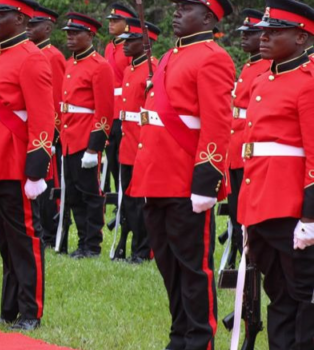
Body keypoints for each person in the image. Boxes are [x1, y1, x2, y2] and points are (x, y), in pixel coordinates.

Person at [128, 0, 235, 348]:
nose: (176, 13)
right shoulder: (171, 55)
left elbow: (218, 126)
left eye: (186, 7)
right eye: (177, 7)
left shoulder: (213, 57)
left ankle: (199, 339)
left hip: (186, 180)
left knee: (192, 269)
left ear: (208, 17)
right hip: (155, 176)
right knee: (169, 266)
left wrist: (206, 181)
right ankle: (180, 335)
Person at [0, 0, 54, 331]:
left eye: (0, 15)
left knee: (24, 241)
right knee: (5, 241)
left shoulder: (32, 58)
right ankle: (9, 310)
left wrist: (35, 170)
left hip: (14, 161)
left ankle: (30, 311)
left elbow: (42, 117)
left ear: (20, 19)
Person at [238, 0, 314, 348]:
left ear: (301, 38)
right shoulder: (263, 79)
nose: (263, 36)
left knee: (303, 294)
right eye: (263, 31)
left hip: (292, 208)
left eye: (274, 31)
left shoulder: (308, 83)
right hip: (261, 204)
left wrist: (310, 218)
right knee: (278, 292)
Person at [60, 12, 115, 259]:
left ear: (90, 35)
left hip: (85, 139)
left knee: (91, 194)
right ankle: (82, 241)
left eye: (75, 33)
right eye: (68, 33)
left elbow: (104, 111)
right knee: (73, 194)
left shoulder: (99, 66)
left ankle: (92, 245)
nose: (70, 37)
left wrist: (94, 147)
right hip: (69, 138)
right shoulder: (70, 63)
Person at [112, 17, 160, 264]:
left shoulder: (154, 68)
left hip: (142, 141)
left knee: (142, 201)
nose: (124, 45)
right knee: (129, 200)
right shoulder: (130, 69)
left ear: (145, 42)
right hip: (127, 140)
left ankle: (143, 249)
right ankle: (129, 246)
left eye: (130, 40)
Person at [225, 8, 269, 268]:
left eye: (249, 33)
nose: (243, 38)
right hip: (236, 144)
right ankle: (238, 256)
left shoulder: (266, 66)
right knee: (234, 209)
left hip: (249, 145)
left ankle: (248, 260)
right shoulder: (249, 64)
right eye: (241, 33)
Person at [25, 4, 64, 251]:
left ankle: (49, 233)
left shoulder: (53, 56)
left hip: (47, 134)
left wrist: (51, 136)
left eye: (34, 25)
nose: (29, 28)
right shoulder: (30, 53)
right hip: (32, 132)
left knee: (48, 187)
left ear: (47, 28)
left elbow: (56, 101)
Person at [103, 3, 137, 198]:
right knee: (113, 163)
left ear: (127, 25)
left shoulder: (130, 48)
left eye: (116, 21)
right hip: (110, 112)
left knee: (123, 161)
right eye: (110, 21)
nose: (111, 24)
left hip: (124, 112)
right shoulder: (110, 47)